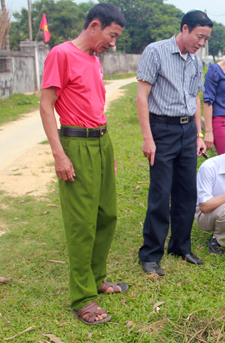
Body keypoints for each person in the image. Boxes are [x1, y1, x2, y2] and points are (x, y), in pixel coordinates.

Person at [40, 3, 127, 325]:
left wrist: (109, 153)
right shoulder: (61, 55)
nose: (113, 43)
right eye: (112, 35)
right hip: (76, 144)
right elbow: (46, 105)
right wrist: (59, 154)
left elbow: (95, 108)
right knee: (82, 223)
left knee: (107, 215)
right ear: (94, 25)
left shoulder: (92, 59)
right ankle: (82, 297)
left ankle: (96, 278)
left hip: (101, 143)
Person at [136, 10, 212, 276]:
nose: (201, 43)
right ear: (185, 28)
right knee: (160, 192)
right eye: (199, 36)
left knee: (186, 192)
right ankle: (150, 254)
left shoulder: (195, 61)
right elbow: (142, 96)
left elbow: (195, 101)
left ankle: (180, 246)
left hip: (187, 131)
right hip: (162, 129)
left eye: (206, 39)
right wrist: (148, 138)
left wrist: (199, 134)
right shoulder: (155, 52)